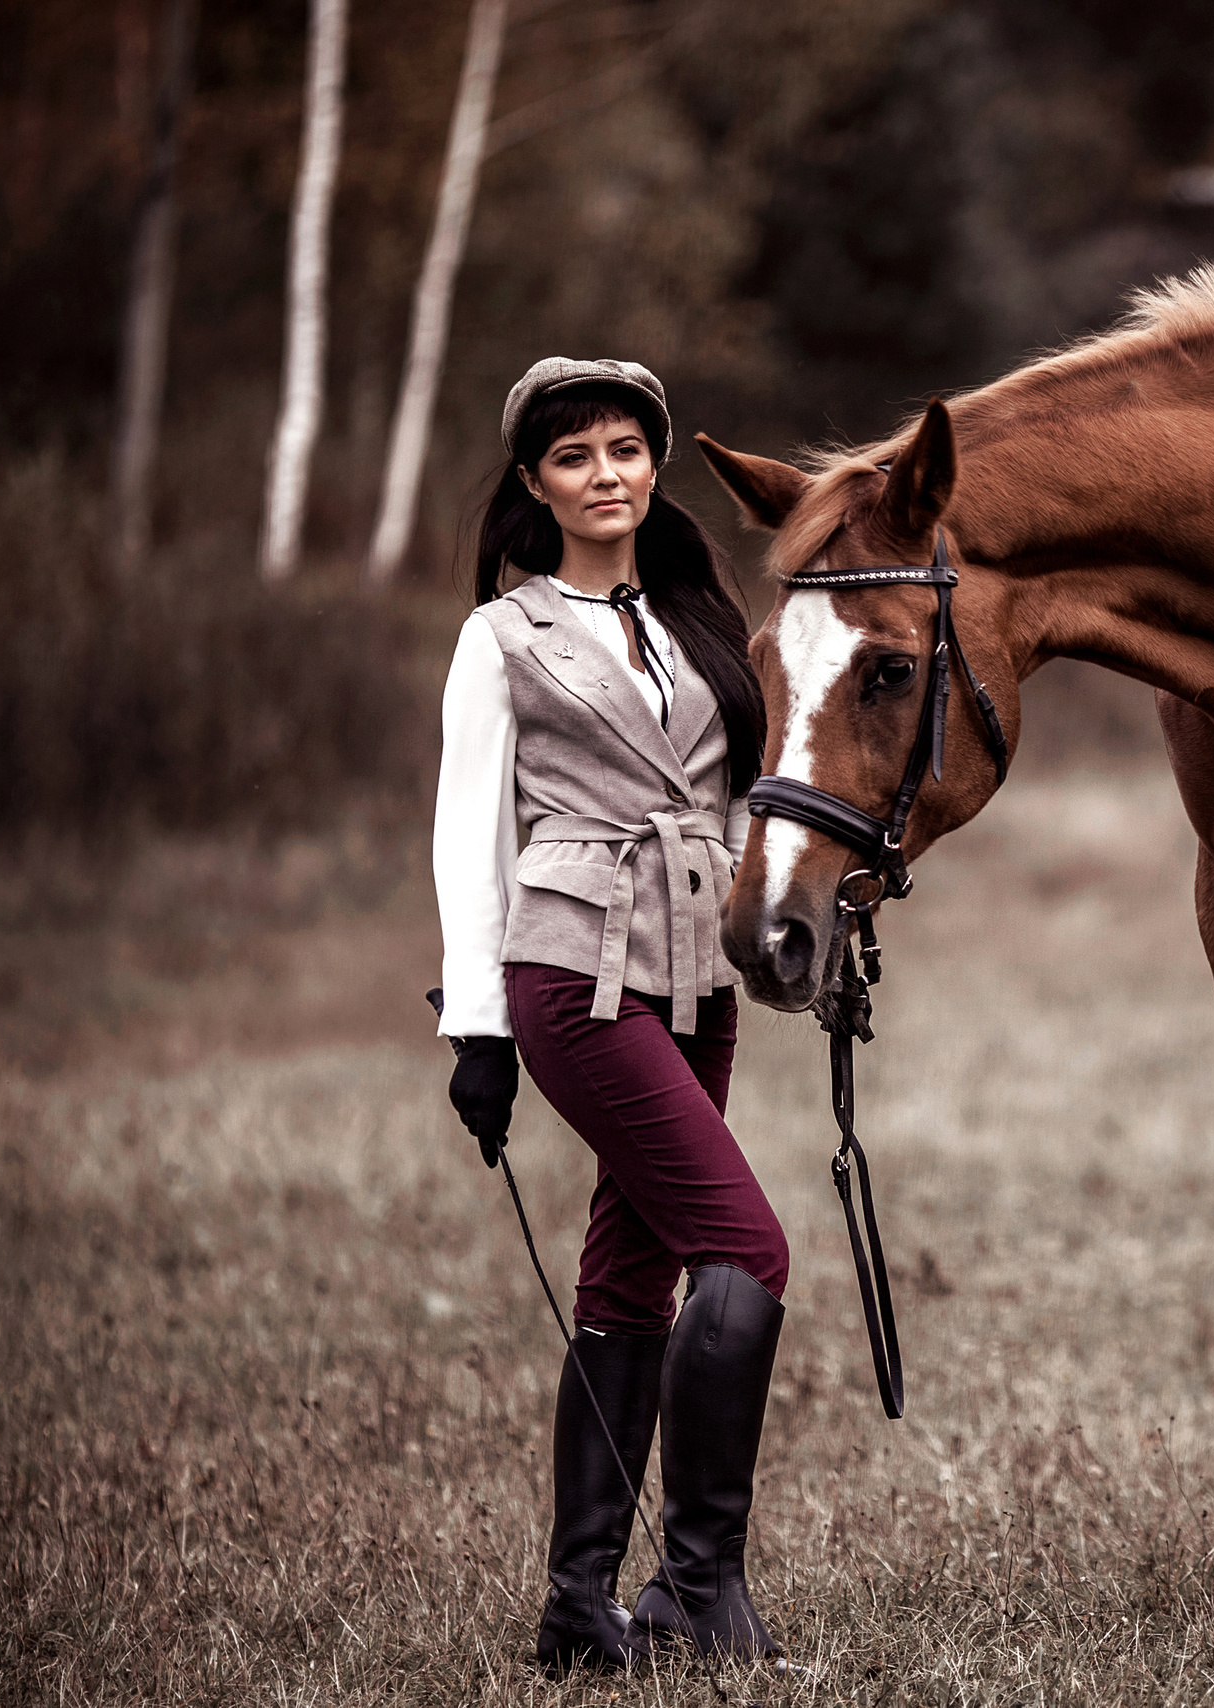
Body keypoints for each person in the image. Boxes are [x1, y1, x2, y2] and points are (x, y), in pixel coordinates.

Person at [431, 357, 787, 1674]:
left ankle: (582, 1611)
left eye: (627, 449)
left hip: (699, 967)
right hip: (572, 968)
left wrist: (799, 926)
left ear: (653, 467)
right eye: (575, 455)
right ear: (536, 484)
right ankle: (697, 1589)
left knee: (633, 1271)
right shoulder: (501, 638)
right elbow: (467, 834)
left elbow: (740, 800)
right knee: (746, 1248)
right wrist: (477, 1029)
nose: (607, 474)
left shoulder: (695, 617)